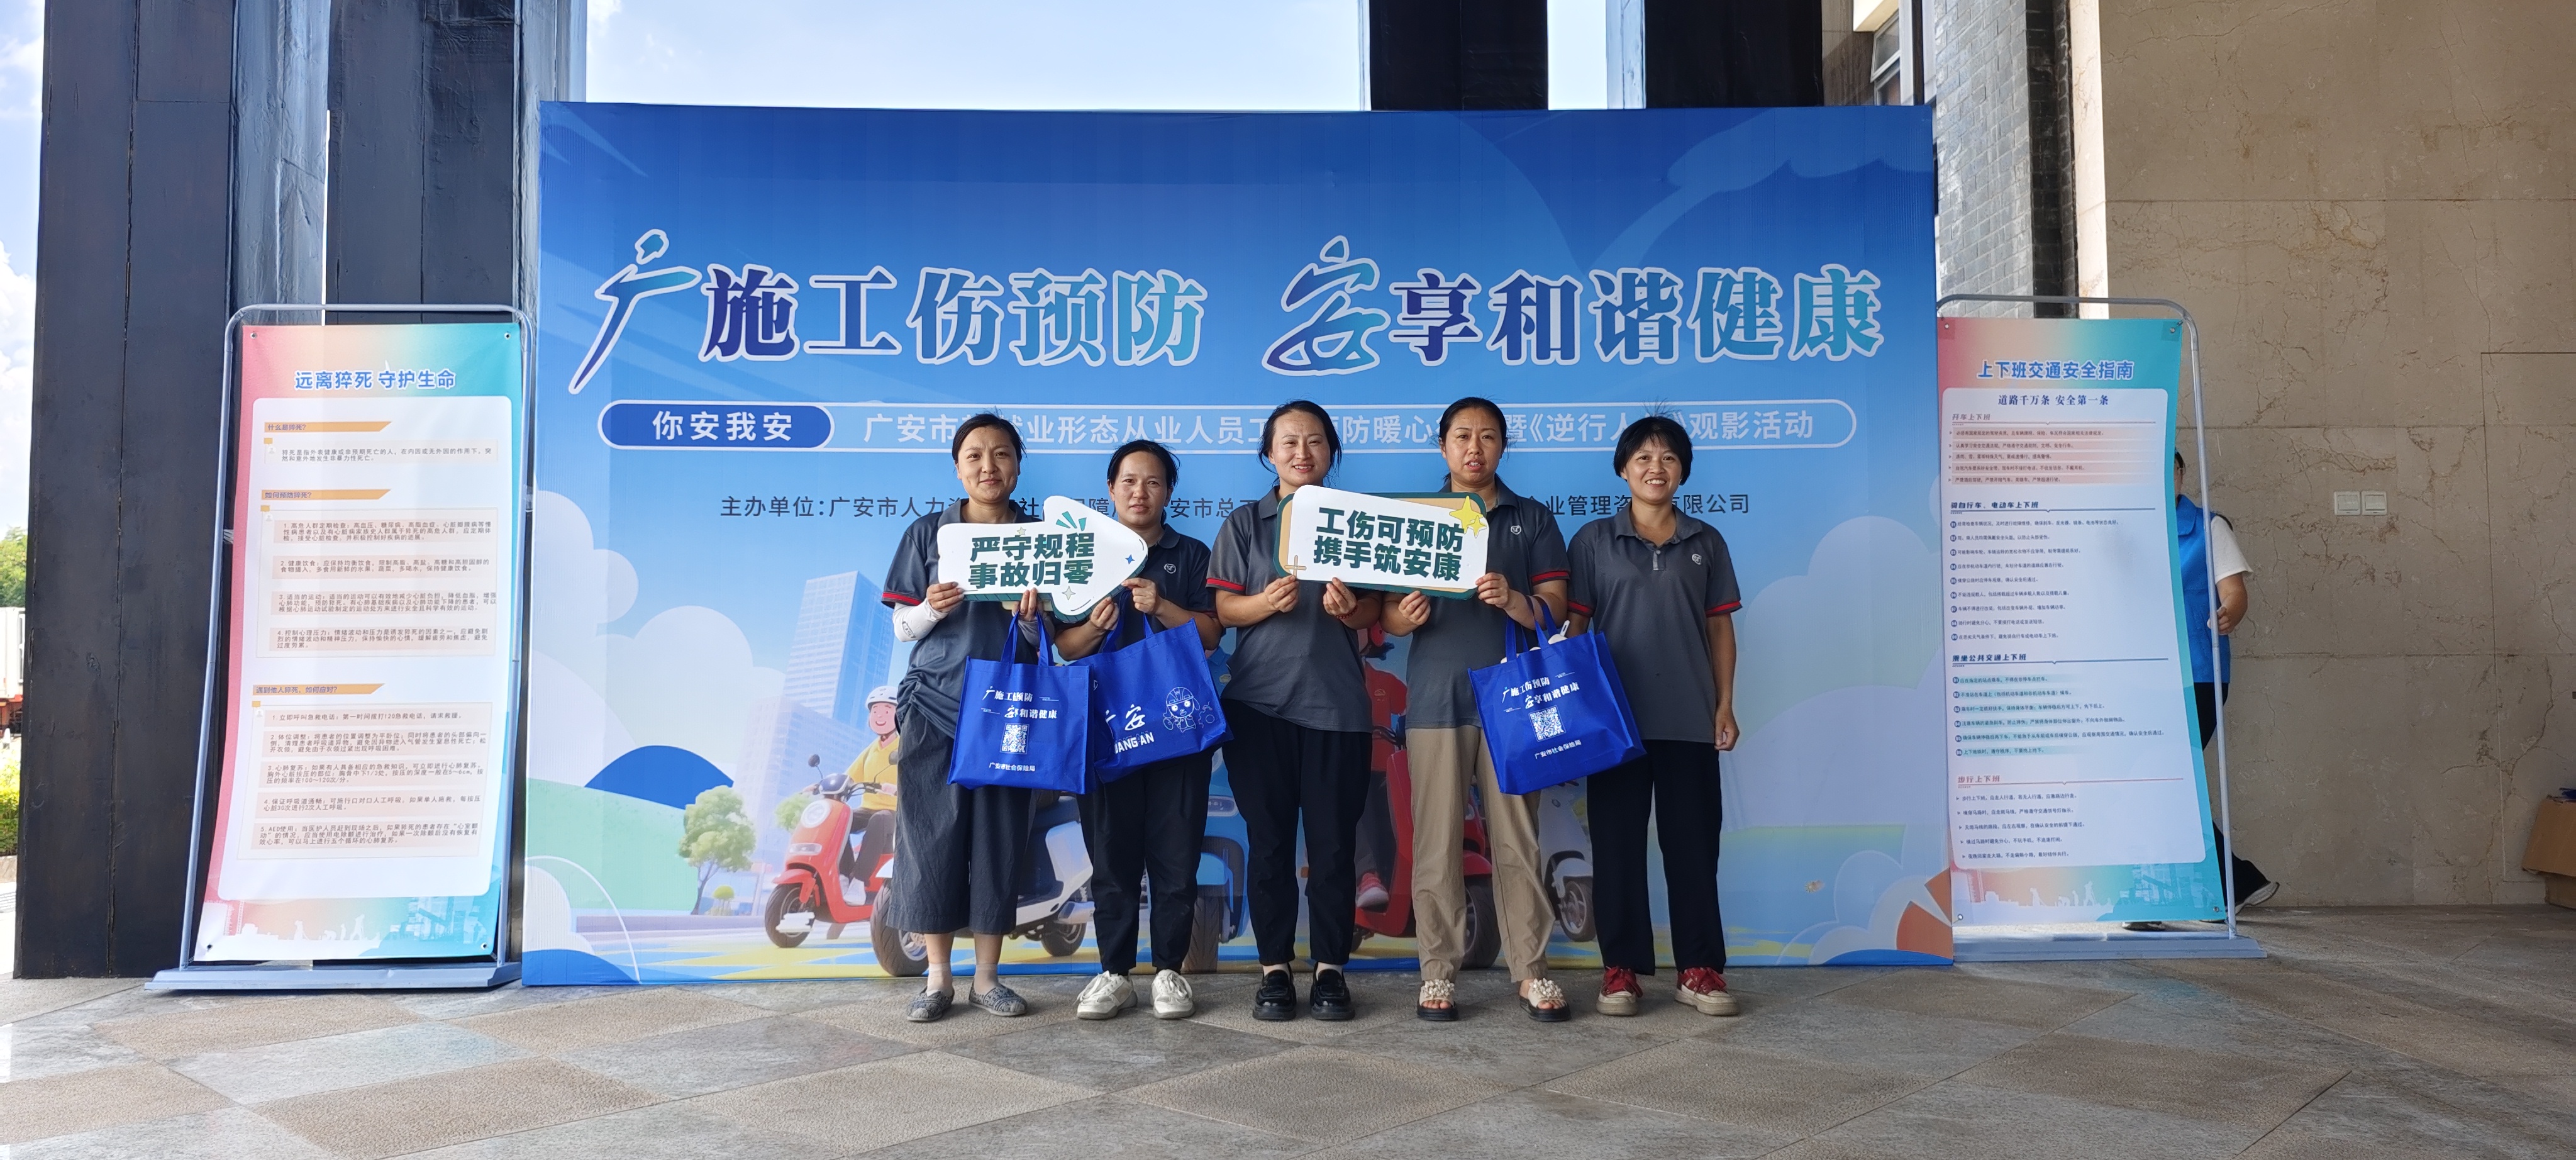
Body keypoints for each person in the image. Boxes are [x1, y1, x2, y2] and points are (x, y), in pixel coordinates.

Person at [1380, 397, 1571, 1022]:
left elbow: (1555, 609)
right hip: (1436, 695)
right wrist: (1403, 616)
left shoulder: (1530, 517)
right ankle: (1437, 973)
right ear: (1442, 446)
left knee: (1517, 838)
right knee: (1435, 842)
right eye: (1462, 435)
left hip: (1512, 700)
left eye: (1488, 436)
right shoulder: (1415, 517)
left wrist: (1516, 601)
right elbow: (1385, 617)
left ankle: (1531, 971)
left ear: (1503, 447)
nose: (1474, 447)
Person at [1209, 400, 1383, 1022]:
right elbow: (1224, 611)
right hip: (1259, 706)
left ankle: (1331, 969)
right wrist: (1264, 603)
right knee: (1270, 844)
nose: (1302, 452)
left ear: (1331, 451)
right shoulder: (1244, 524)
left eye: (1314, 441)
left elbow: (1376, 611)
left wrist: (1350, 609)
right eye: (1288, 441)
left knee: (1334, 848)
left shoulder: (1357, 521)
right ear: (1269, 453)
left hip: (1338, 708)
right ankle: (1275, 970)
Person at [1565, 415, 1742, 1018]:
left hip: (1690, 719)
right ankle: (1620, 970)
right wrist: (1575, 710)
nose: (1655, 468)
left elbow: (1720, 628)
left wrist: (1724, 703)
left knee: (1693, 848)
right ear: (1623, 468)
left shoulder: (1706, 541)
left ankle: (1699, 969)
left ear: (1683, 470)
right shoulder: (1593, 541)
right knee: (1616, 849)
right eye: (1643, 457)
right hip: (1613, 723)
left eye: (1668, 458)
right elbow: (1577, 627)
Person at [880, 413, 1048, 1023]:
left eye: (1001, 454)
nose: (988, 466)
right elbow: (902, 628)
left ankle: (987, 979)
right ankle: (937, 978)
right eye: (974, 455)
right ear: (957, 468)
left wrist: (1028, 618)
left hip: (1008, 708)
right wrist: (930, 607)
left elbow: (1051, 638)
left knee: (998, 839)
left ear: (1018, 466)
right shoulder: (929, 532)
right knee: (930, 839)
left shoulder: (1039, 537)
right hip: (934, 703)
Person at [1053, 440, 1222, 1021]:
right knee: (1111, 852)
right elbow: (1066, 647)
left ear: (1169, 492)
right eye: (1128, 481)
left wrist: (1163, 607)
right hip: (1106, 725)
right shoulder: (1083, 555)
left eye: (1152, 482)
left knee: (1176, 850)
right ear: (1110, 490)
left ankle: (1170, 970)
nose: (1139, 492)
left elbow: (1211, 633)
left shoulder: (1190, 554)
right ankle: (1114, 972)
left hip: (1175, 725)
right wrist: (1094, 629)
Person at [2135, 452, 2273, 928]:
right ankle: (2233, 884)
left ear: (2181, 475)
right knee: (2165, 783)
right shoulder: (2123, 525)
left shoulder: (2208, 527)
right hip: (2136, 678)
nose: (2160, 480)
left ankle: (2161, 897)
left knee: (2165, 780)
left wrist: (2231, 612)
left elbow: (2234, 590)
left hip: (2196, 674)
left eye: (2168, 471)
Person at [845, 685, 902, 789]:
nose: (879, 716)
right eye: (875, 712)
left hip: (897, 800)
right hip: (867, 800)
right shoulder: (872, 749)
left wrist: (897, 789)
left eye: (887, 712)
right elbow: (850, 777)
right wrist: (822, 786)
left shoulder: (905, 746)